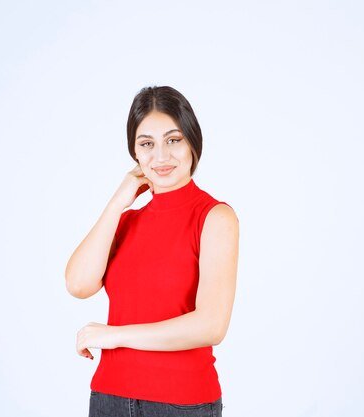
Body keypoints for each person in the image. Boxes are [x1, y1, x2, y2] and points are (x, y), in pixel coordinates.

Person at [65, 85, 239, 417]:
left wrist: (115, 337)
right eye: (147, 144)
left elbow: (211, 325)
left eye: (173, 140)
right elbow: (78, 284)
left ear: (192, 142)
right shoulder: (126, 220)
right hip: (109, 399)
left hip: (181, 403)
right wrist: (118, 201)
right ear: (134, 153)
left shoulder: (215, 217)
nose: (160, 157)